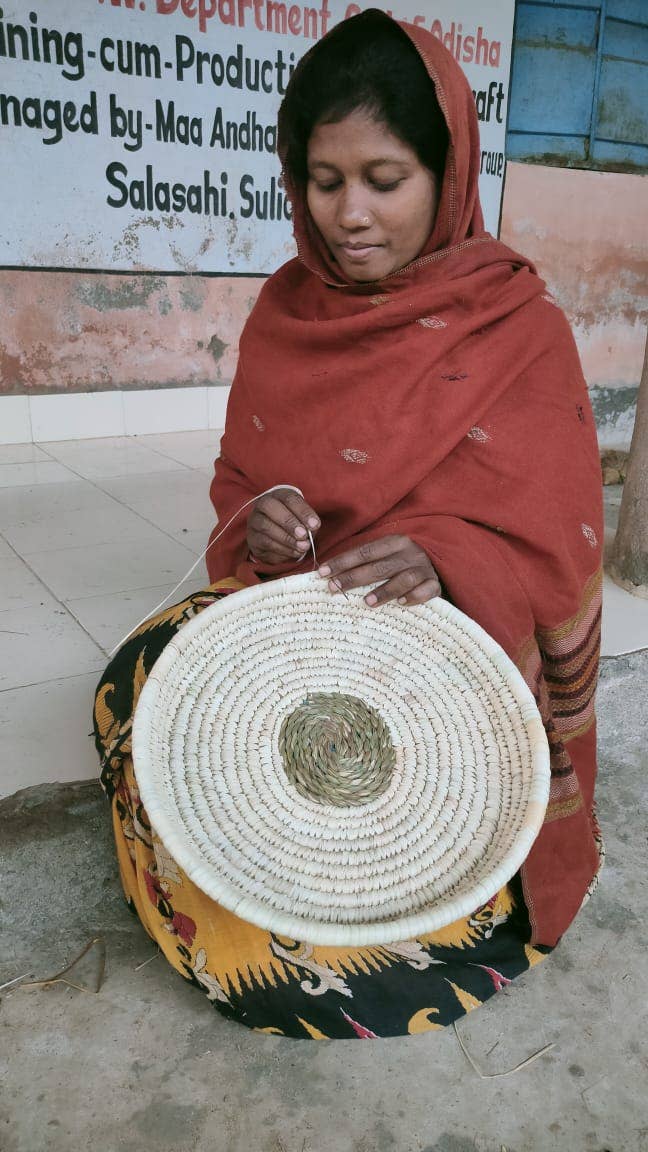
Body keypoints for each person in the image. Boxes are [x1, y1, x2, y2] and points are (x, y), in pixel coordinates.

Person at [94, 10, 603, 1040]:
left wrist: (451, 558)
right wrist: (263, 520)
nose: (349, 216)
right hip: (304, 641)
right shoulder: (289, 310)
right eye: (324, 182)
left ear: (448, 173)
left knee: (299, 935)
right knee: (132, 693)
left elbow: (557, 541)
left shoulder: (518, 326)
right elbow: (246, 477)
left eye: (385, 179)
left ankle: (407, 897)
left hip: (454, 681)